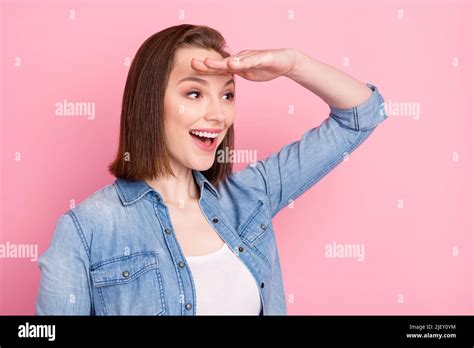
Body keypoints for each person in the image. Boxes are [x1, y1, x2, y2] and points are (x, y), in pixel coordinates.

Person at [36, 24, 388, 315]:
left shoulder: (252, 195)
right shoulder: (85, 230)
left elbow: (361, 115)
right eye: (194, 93)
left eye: (228, 95)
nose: (219, 115)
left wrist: (291, 64)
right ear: (148, 103)